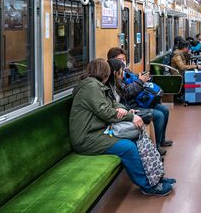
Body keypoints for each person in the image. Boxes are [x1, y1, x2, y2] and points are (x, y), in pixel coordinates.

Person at [69, 58, 175, 196]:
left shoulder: (97, 86)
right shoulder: (91, 88)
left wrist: (124, 110)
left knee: (137, 138)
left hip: (98, 131)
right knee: (128, 147)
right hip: (87, 138)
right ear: (104, 73)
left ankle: (156, 176)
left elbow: (113, 104)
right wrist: (131, 117)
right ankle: (148, 186)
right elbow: (106, 112)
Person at [107, 47, 172, 156]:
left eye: (124, 59)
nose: (123, 61)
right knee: (159, 115)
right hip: (130, 105)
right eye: (120, 59)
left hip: (137, 100)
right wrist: (140, 82)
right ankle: (156, 146)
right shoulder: (115, 74)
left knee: (164, 110)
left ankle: (161, 140)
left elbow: (133, 81)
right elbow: (126, 93)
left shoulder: (126, 70)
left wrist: (142, 78)